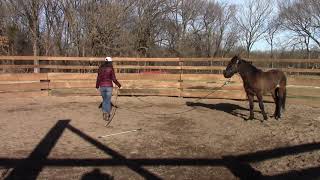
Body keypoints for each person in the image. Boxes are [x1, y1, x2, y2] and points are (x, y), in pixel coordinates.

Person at [96, 57, 121, 121]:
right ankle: (107, 113)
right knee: (108, 100)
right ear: (110, 62)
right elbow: (114, 79)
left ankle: (104, 113)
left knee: (104, 100)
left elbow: (98, 78)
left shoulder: (100, 68)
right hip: (109, 86)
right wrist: (119, 85)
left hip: (102, 86)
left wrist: (97, 86)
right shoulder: (111, 68)